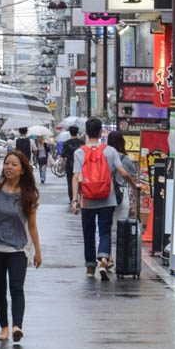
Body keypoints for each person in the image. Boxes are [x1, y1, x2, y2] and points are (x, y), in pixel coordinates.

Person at [0, 150, 42, 342]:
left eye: (14, 164)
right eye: (7, 163)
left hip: (17, 250)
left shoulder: (28, 195)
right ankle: (4, 327)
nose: (9, 167)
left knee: (16, 287)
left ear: (22, 170)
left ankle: (17, 326)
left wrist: (38, 251)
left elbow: (32, 225)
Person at [70, 117, 123, 279]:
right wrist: (134, 184)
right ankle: (104, 259)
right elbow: (123, 172)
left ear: (86, 132)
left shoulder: (80, 152)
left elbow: (75, 177)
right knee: (105, 231)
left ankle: (90, 268)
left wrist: (75, 200)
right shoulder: (110, 151)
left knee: (89, 233)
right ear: (101, 132)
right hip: (108, 198)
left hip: (88, 199)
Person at [106, 131, 145, 228]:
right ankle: (117, 242)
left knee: (107, 224)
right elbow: (134, 179)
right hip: (121, 194)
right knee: (120, 224)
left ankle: (107, 241)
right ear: (121, 142)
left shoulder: (104, 156)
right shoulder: (125, 159)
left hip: (105, 192)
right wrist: (135, 201)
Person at [60, 125, 83, 190]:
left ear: (70, 132)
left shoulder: (66, 143)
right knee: (80, 183)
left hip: (69, 166)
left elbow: (62, 155)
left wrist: (60, 165)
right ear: (77, 132)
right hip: (80, 166)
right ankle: (79, 196)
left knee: (70, 184)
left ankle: (72, 199)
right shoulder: (82, 143)